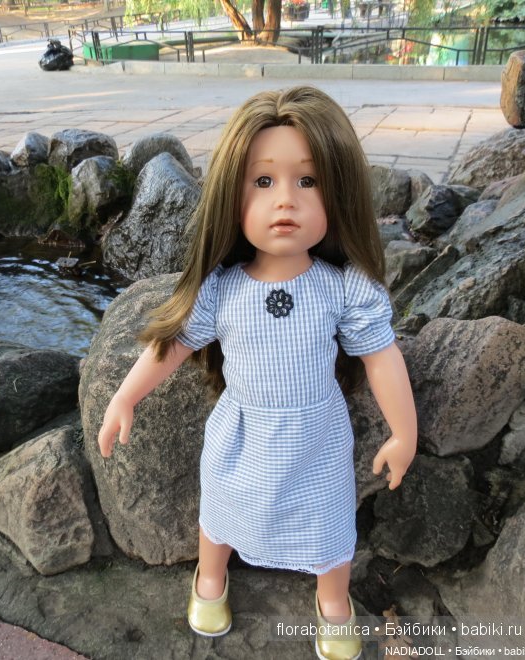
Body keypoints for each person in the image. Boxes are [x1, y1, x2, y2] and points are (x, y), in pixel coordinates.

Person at [97, 85, 417, 660]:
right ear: (232, 193)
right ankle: (210, 576)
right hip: (242, 433)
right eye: (263, 181)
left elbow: (380, 354)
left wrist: (403, 431)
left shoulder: (341, 289)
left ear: (338, 191)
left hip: (316, 438)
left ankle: (333, 599)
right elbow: (172, 346)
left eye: (308, 180)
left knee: (329, 522)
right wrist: (125, 397)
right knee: (221, 507)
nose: (285, 201)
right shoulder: (221, 291)